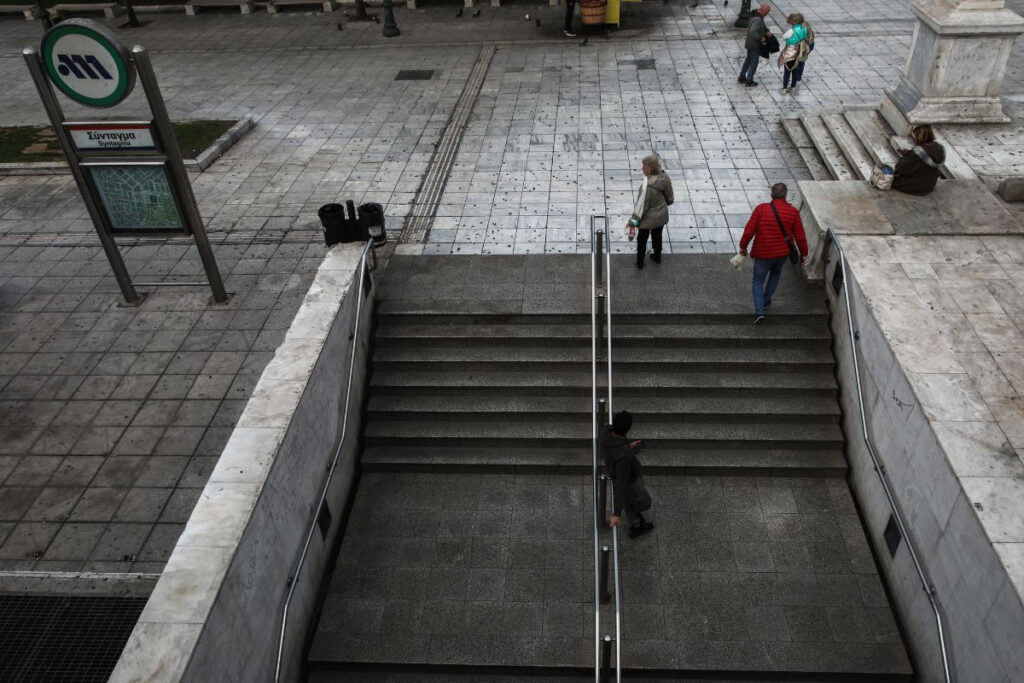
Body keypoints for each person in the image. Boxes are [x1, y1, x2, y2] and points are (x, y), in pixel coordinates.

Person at [738, 182, 808, 324]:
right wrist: (803, 254)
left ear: (771, 194)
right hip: (782, 254)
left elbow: (749, 231)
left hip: (762, 254)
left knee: (758, 280)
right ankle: (765, 301)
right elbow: (800, 236)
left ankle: (759, 312)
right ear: (785, 194)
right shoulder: (793, 212)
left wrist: (743, 247)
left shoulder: (761, 209)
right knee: (775, 274)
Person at [601, 410, 653, 538]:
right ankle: (636, 521)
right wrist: (617, 514)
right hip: (628, 477)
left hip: (615, 468)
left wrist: (628, 447)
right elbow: (621, 483)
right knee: (645, 501)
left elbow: (615, 448)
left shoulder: (606, 432)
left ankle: (636, 524)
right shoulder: (624, 456)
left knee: (627, 499)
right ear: (628, 428)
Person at [627, 154, 674, 269]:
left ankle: (640, 261)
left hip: (647, 219)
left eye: (643, 166)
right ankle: (657, 256)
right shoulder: (665, 177)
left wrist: (632, 221)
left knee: (642, 239)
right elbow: (670, 199)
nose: (642, 169)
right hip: (661, 215)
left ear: (650, 168)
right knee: (657, 235)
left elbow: (642, 207)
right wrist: (662, 206)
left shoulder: (647, 187)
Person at [892, 125, 945, 196]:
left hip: (914, 187)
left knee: (892, 178)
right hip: (929, 186)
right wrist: (909, 154)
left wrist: (905, 156)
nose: (915, 139)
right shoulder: (940, 149)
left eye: (916, 136)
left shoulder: (917, 153)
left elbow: (900, 168)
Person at [738, 4, 772, 87]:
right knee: (754, 62)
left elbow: (762, 24)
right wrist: (761, 38)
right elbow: (753, 31)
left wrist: (766, 30)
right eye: (766, 13)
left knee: (748, 59)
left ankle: (742, 77)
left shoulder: (754, 14)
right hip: (754, 44)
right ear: (763, 11)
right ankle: (749, 80)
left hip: (749, 42)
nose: (766, 15)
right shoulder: (758, 19)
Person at [779, 13, 810, 93]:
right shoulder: (805, 29)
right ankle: (793, 87)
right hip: (799, 52)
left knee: (787, 70)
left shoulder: (791, 30)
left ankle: (784, 88)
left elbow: (784, 37)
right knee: (795, 70)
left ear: (794, 22)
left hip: (790, 52)